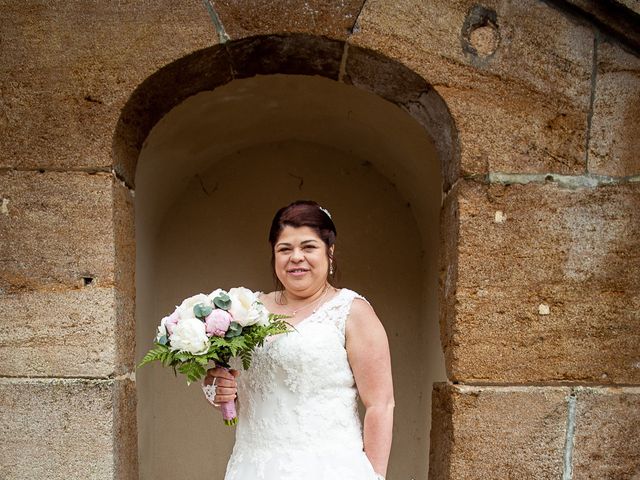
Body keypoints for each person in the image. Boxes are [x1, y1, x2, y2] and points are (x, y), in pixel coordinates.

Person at [203, 200, 394, 480]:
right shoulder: (246, 310)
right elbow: (229, 381)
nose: (296, 257)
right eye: (285, 249)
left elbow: (381, 404)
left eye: (308, 247)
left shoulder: (351, 311)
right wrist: (214, 388)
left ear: (330, 252)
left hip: (329, 469)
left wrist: (375, 476)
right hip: (253, 466)